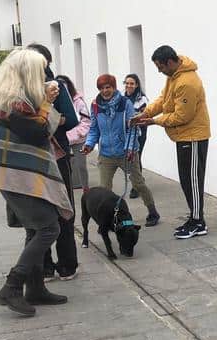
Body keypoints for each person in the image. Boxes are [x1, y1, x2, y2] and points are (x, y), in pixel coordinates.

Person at [0, 49, 73, 316]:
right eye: (41, 71)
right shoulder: (13, 102)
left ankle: (35, 289)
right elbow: (40, 132)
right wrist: (46, 102)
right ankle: (12, 286)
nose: (44, 76)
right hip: (17, 176)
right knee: (48, 228)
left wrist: (43, 100)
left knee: (36, 229)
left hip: (18, 174)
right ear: (28, 73)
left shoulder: (12, 98)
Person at [133, 46, 211, 239]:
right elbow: (163, 100)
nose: (159, 71)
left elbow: (182, 116)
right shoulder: (174, 76)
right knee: (186, 180)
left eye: (160, 66)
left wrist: (154, 121)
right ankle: (194, 217)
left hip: (193, 136)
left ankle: (198, 222)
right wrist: (145, 113)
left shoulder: (187, 82)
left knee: (192, 181)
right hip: (183, 136)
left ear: (169, 62)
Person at [26, 44, 79, 282]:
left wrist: (49, 118)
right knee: (47, 212)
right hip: (36, 157)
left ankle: (61, 264)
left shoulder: (57, 86)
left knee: (58, 211)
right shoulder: (22, 88)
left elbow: (72, 120)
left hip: (52, 157)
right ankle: (50, 266)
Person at [81, 74, 160, 227]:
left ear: (114, 87)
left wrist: (130, 148)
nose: (105, 91)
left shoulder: (125, 104)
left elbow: (133, 127)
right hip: (106, 155)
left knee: (138, 184)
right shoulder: (95, 106)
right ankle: (108, 220)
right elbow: (94, 129)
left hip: (126, 153)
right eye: (102, 88)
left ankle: (152, 211)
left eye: (108, 87)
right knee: (104, 190)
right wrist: (89, 144)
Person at [61, 75, 90, 194]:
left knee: (81, 166)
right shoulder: (55, 101)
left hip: (79, 140)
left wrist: (74, 135)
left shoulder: (78, 102)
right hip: (62, 140)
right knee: (63, 166)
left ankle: (86, 190)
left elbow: (86, 121)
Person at [124, 74, 148, 199]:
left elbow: (143, 115)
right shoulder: (122, 99)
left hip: (139, 132)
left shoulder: (142, 99)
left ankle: (136, 186)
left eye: (132, 83)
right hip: (127, 133)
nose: (129, 86)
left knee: (136, 157)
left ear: (137, 85)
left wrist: (133, 118)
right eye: (127, 83)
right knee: (130, 158)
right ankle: (138, 180)